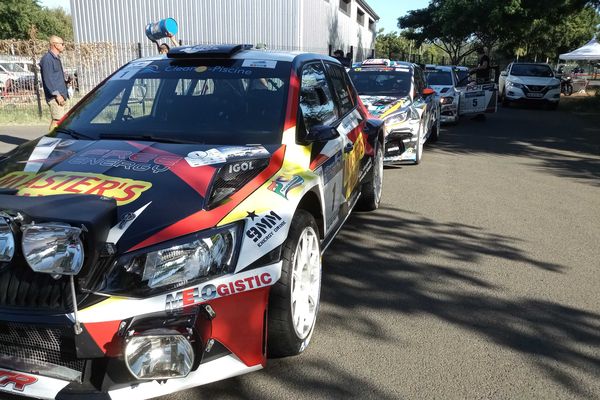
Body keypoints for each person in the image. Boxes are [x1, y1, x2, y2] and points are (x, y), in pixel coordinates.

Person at [39, 35, 69, 131]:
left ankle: (60, 141)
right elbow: (48, 79)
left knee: (64, 120)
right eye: (62, 44)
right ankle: (50, 141)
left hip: (63, 94)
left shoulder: (56, 58)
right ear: (55, 45)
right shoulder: (47, 59)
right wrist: (57, 95)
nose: (64, 46)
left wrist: (66, 82)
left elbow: (55, 77)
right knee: (57, 120)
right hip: (55, 97)